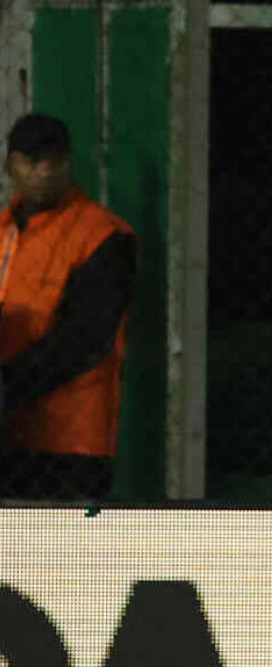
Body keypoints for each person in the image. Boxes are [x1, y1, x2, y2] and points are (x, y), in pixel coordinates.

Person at [0, 113, 136, 500]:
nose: (45, 172)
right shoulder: (3, 233)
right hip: (10, 435)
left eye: (56, 161)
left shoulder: (103, 235)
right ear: (11, 166)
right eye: (33, 161)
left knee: (66, 536)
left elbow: (87, 338)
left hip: (71, 441)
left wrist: (6, 386)